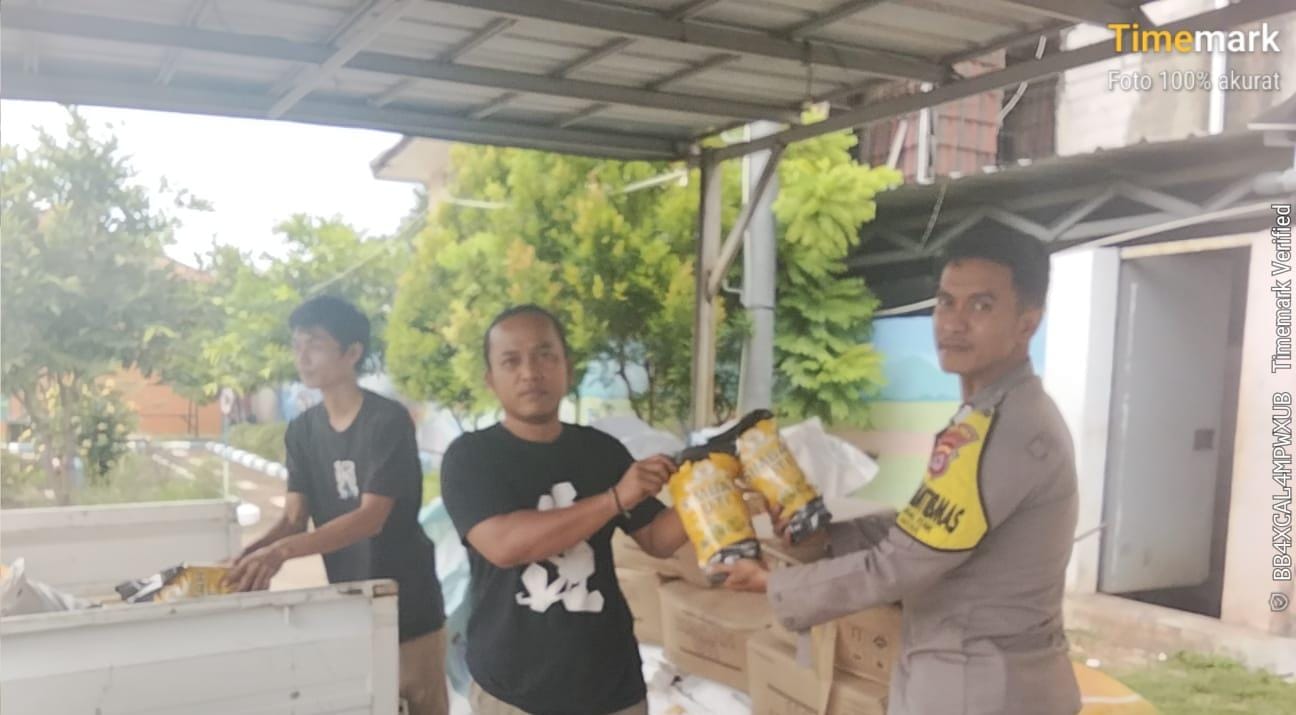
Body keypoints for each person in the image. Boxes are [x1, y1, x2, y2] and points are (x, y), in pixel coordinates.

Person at [719, 233, 1082, 715]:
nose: (953, 323)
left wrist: (772, 584)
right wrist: (827, 535)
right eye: (945, 302)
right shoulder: (989, 414)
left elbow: (902, 563)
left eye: (981, 305)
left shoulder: (1003, 430)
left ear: (1027, 323)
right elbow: (921, 528)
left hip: (979, 685)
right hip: (977, 672)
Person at [440, 304, 689, 715]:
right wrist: (613, 499)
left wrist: (713, 492)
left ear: (567, 369)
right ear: (491, 379)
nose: (530, 372)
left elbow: (657, 539)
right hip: (515, 693)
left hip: (613, 686)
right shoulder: (471, 457)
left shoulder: (601, 451)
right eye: (511, 361)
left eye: (545, 355)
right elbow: (505, 545)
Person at [225, 295, 448, 715]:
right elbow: (294, 519)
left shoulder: (387, 421)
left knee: (420, 705)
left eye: (315, 343)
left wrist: (281, 553)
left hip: (409, 602)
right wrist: (248, 558)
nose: (302, 356)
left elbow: (370, 518)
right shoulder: (302, 432)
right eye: (297, 344)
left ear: (352, 352)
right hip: (349, 602)